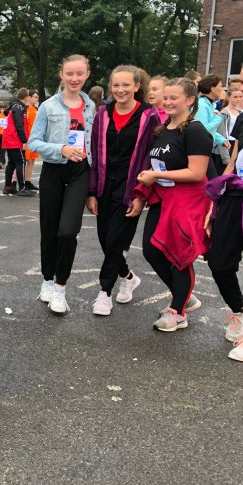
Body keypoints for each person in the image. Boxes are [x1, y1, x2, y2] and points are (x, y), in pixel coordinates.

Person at [134, 78, 211, 332]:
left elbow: (197, 173)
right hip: (163, 199)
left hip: (187, 202)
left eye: (173, 98)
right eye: (165, 98)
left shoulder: (196, 131)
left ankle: (178, 311)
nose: (167, 102)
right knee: (152, 250)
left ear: (189, 100)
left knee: (179, 256)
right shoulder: (162, 128)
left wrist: (157, 175)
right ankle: (184, 297)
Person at [86, 66, 159, 316]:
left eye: (126, 85)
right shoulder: (103, 114)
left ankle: (104, 293)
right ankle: (127, 276)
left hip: (130, 186)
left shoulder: (149, 116)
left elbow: (150, 157)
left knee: (116, 240)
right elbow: (95, 152)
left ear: (137, 86)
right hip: (105, 184)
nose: (120, 90)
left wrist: (140, 194)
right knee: (106, 240)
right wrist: (91, 192)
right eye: (116, 85)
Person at [28, 54, 96, 314]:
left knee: (67, 232)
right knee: (49, 230)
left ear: (87, 75)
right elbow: (33, 142)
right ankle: (47, 280)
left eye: (79, 73)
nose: (74, 78)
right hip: (54, 170)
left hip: (81, 171)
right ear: (62, 75)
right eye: (69, 74)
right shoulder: (48, 107)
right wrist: (61, 149)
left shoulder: (92, 107)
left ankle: (60, 288)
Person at [208, 62, 243, 360]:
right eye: (242, 82)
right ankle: (239, 310)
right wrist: (216, 202)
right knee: (219, 261)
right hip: (235, 196)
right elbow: (233, 161)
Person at [2, 88, 35, 197]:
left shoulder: (14, 105)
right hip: (14, 139)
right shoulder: (19, 107)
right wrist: (24, 141)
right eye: (29, 96)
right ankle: (22, 188)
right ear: (26, 97)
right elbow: (19, 125)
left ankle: (8, 187)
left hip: (9, 138)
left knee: (12, 163)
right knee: (21, 162)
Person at [195, 74, 230, 175]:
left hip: (204, 149)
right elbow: (203, 129)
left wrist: (222, 140)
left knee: (212, 179)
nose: (222, 89)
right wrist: (219, 117)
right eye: (220, 86)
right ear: (212, 88)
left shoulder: (210, 104)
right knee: (213, 179)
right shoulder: (202, 105)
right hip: (199, 150)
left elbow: (211, 130)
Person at [23, 89, 40, 191]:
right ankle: (15, 182)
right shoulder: (24, 109)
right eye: (35, 97)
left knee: (31, 161)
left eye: (37, 97)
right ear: (29, 97)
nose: (37, 99)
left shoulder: (35, 108)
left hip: (34, 138)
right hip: (26, 138)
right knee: (23, 161)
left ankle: (28, 181)